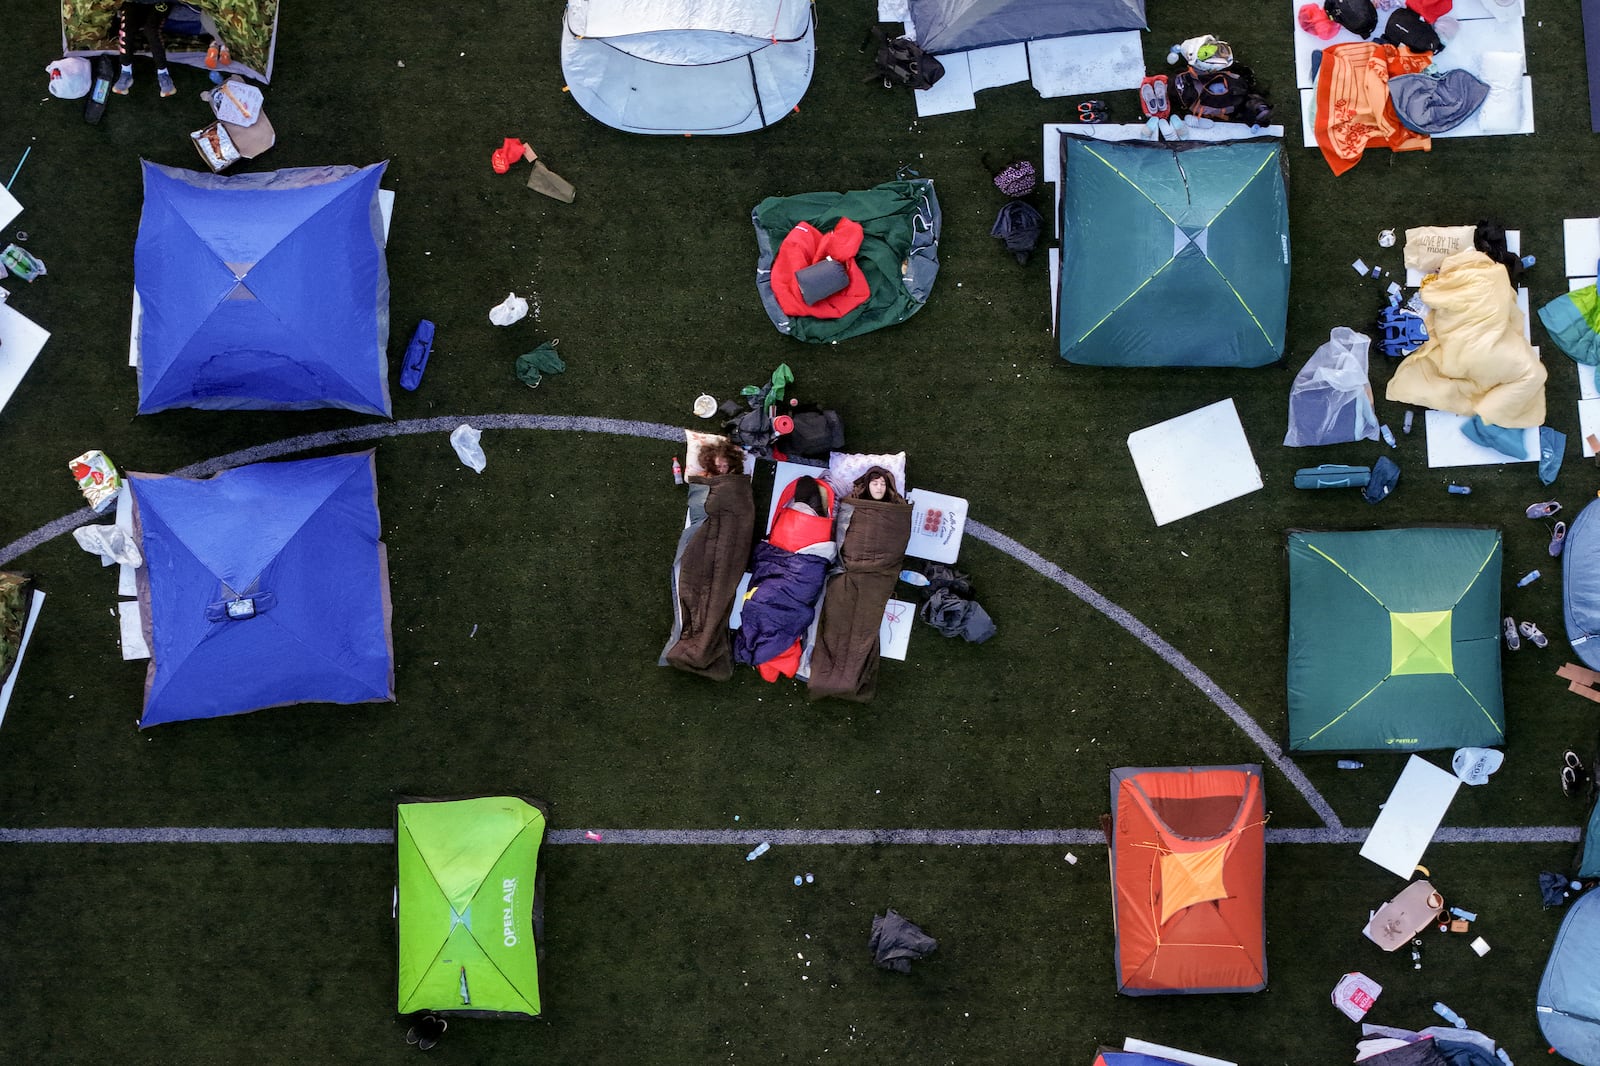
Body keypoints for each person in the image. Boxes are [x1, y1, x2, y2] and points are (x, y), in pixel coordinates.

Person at [113, 1, 176, 98]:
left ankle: (163, 73)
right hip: (134, 2)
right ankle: (126, 71)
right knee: (126, 30)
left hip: (160, 2)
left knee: (151, 30)